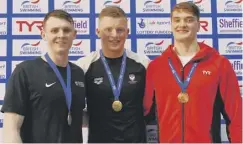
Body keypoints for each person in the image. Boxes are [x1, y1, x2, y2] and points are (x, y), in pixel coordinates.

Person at [144, 2, 242, 143]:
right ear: (171, 25)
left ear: (198, 25)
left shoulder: (219, 64)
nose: (182, 24)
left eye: (189, 20)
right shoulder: (156, 67)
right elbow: (143, 113)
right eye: (177, 20)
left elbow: (235, 115)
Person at [1, 10, 86, 143]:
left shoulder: (79, 73)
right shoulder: (25, 71)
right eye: (54, 30)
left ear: (74, 35)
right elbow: (11, 129)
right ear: (43, 34)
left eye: (66, 30)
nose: (61, 35)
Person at [76, 6, 150, 143]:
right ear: (98, 32)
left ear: (127, 32)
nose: (114, 35)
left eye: (120, 30)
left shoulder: (143, 65)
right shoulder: (84, 66)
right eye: (108, 29)